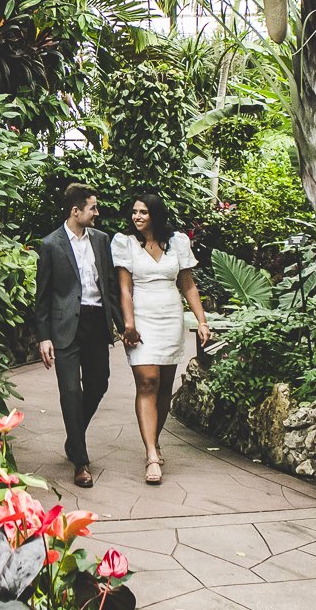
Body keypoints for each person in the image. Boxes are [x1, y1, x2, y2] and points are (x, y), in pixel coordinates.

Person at [113, 192, 210, 485]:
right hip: (142, 318)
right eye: (134, 212)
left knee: (165, 386)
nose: (137, 217)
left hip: (170, 318)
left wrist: (202, 321)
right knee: (147, 382)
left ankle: (153, 440)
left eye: (143, 212)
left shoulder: (177, 242)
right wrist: (129, 324)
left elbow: (188, 285)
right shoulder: (124, 242)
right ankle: (152, 455)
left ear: (155, 214)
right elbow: (125, 289)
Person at [33, 183, 123, 488]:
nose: (97, 213)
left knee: (98, 383)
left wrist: (122, 325)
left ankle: (74, 437)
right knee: (70, 390)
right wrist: (44, 336)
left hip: (96, 322)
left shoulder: (101, 240)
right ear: (76, 211)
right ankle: (81, 462)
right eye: (92, 207)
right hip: (64, 327)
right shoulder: (51, 244)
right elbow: (42, 296)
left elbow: (108, 285)